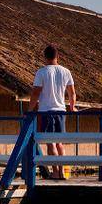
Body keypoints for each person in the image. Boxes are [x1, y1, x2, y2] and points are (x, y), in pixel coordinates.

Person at [28, 45, 76, 180]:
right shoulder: (66, 71)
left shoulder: (42, 72)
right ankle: (62, 172)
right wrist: (72, 107)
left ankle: (55, 172)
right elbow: (72, 93)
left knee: (50, 143)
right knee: (60, 143)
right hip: (61, 111)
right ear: (57, 56)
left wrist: (30, 110)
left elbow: (36, 93)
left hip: (46, 112)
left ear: (45, 57)